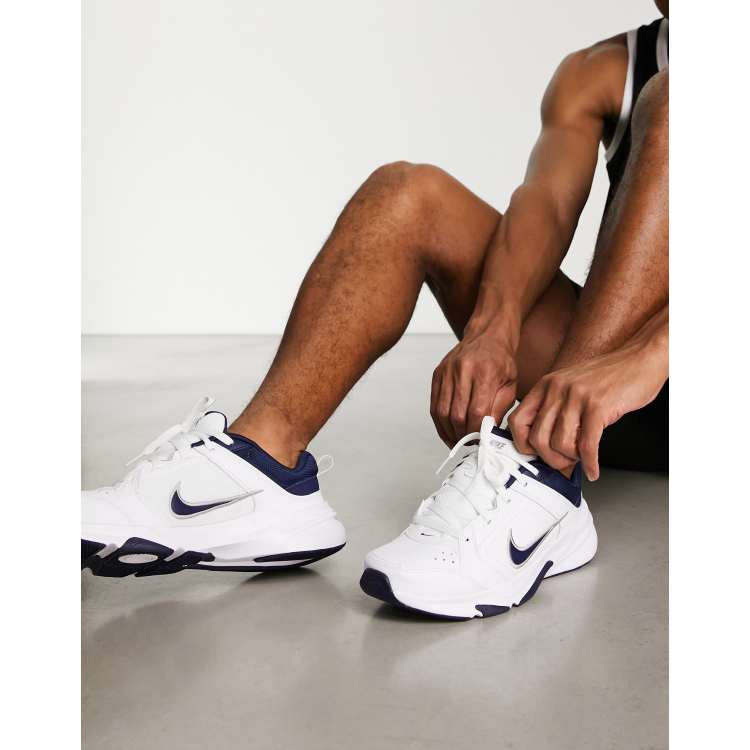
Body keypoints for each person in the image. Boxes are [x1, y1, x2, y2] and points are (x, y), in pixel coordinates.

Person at [82, 4, 669, 620]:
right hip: (598, 396)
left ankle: (546, 477)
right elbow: (546, 205)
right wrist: (492, 330)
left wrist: (649, 354)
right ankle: (257, 470)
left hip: (649, 369)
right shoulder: (599, 71)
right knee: (408, 194)